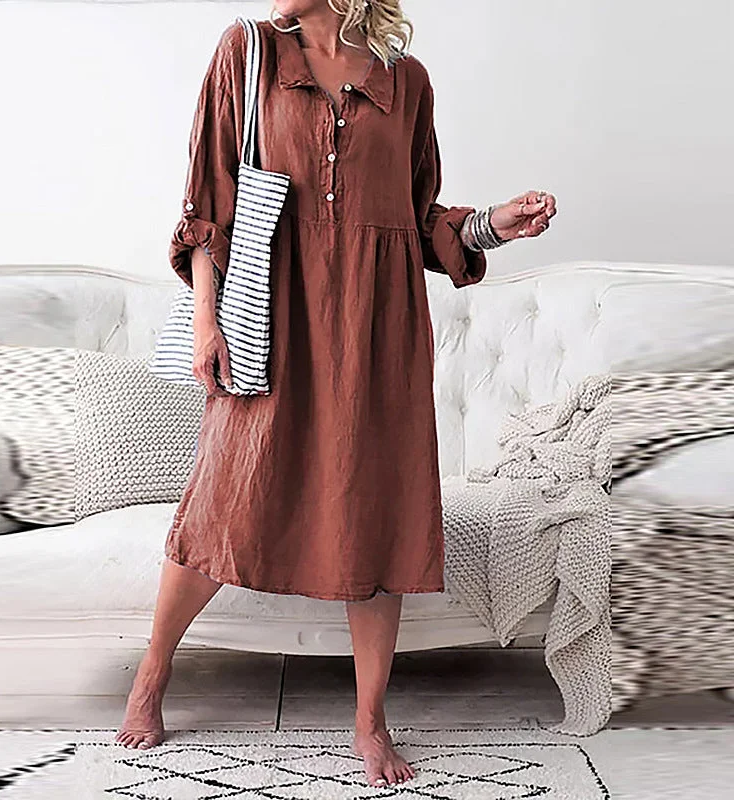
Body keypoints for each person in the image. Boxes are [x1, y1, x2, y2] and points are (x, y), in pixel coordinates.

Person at [115, 0, 556, 789]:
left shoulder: (406, 81)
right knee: (226, 496)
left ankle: (370, 720)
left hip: (377, 328)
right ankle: (153, 672)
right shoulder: (248, 52)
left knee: (375, 511)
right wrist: (207, 320)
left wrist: (492, 224)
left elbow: (417, 218)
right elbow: (208, 201)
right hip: (273, 316)